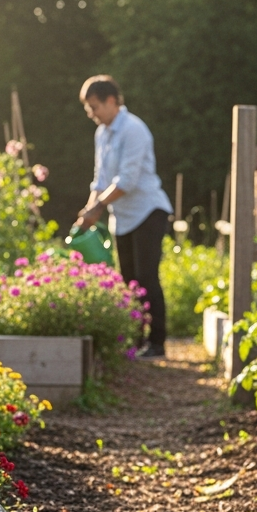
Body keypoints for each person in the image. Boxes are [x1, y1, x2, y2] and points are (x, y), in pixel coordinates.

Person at [75, 75, 172, 360]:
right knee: (127, 279)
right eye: (88, 108)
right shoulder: (102, 133)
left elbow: (127, 180)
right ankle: (135, 338)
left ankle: (157, 342)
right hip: (123, 216)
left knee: (146, 277)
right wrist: (88, 210)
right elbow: (100, 179)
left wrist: (97, 209)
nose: (92, 114)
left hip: (148, 211)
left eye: (95, 107)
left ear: (112, 101)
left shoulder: (134, 130)